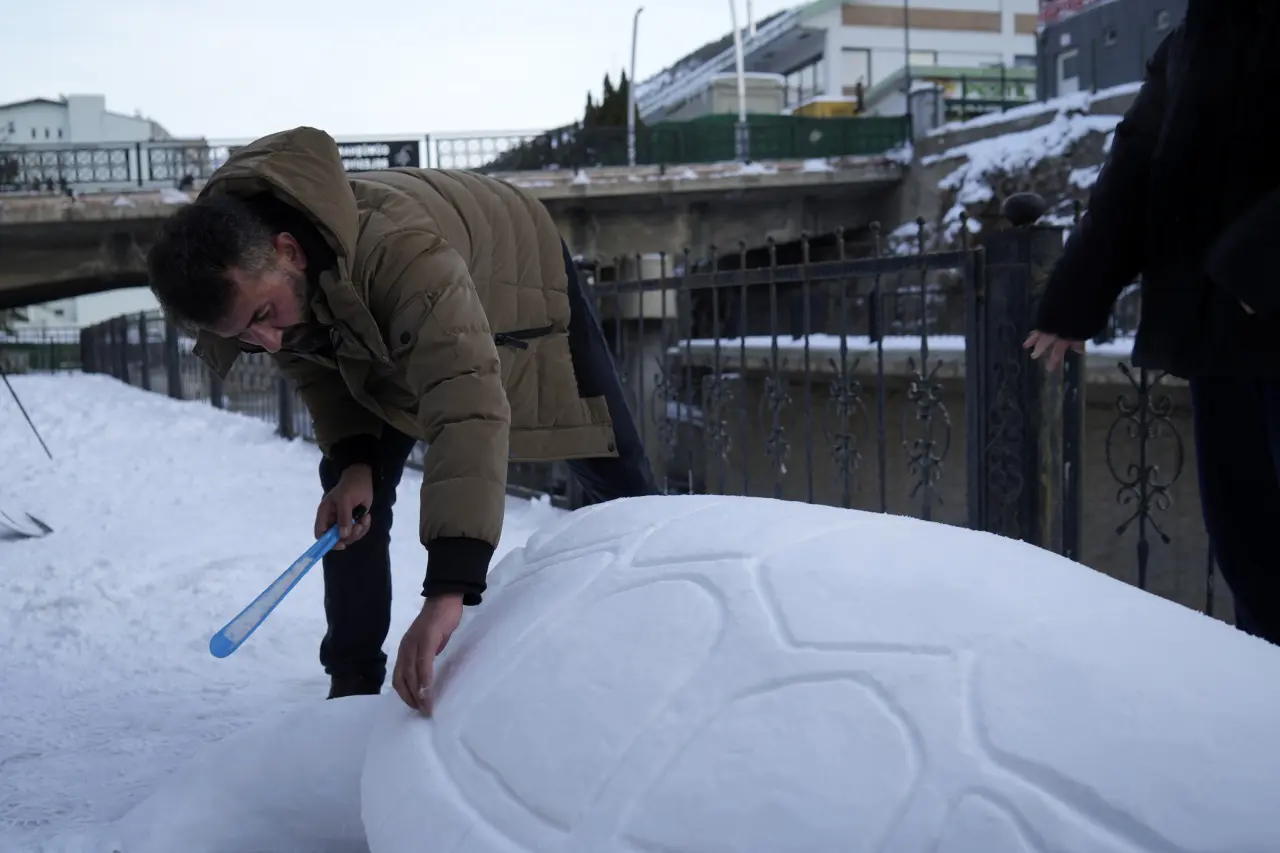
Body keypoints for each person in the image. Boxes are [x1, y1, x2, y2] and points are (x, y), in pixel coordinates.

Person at [146, 126, 659, 711]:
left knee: (616, 471)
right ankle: (351, 688)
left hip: (515, 261)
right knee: (349, 505)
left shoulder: (401, 250)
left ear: (289, 250)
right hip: (376, 319)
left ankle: (657, 630)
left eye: (264, 315)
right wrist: (356, 460)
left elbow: (465, 403)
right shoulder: (270, 292)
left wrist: (449, 590)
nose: (267, 339)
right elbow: (319, 372)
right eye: (244, 336)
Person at [1026, 0, 1280, 644]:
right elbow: (1137, 164)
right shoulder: (1198, 34)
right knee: (1251, 555)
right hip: (1222, 336)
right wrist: (1077, 294)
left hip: (1252, 304)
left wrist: (1261, 267)